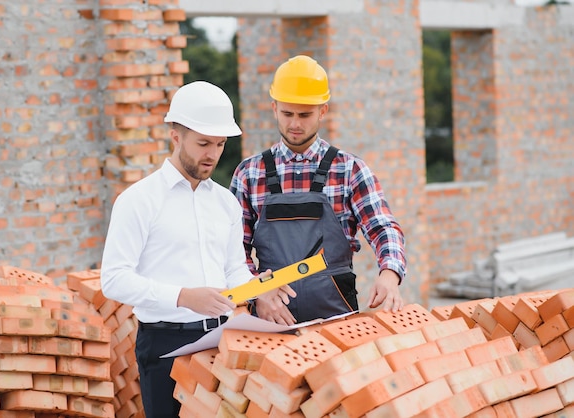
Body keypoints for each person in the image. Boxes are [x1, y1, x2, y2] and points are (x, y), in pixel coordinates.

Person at [100, 81, 275, 418]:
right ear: (175, 135)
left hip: (222, 343)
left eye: (220, 144)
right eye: (203, 143)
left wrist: (260, 289)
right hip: (164, 344)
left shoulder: (225, 202)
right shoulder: (138, 201)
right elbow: (114, 279)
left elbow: (234, 269)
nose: (212, 154)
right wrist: (183, 296)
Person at [229, 55, 406, 326]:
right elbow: (232, 250)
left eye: (305, 115)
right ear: (274, 108)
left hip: (338, 320)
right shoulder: (249, 174)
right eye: (287, 114)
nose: (295, 124)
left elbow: (383, 228)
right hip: (269, 321)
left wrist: (390, 274)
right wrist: (256, 293)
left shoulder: (349, 169)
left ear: (323, 111)